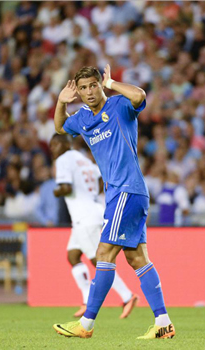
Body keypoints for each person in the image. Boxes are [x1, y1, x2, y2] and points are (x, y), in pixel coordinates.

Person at [53, 65, 175, 339]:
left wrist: (113, 83)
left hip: (127, 190)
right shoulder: (83, 118)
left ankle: (85, 325)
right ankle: (163, 322)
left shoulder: (120, 105)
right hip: (121, 194)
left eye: (93, 85)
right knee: (137, 258)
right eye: (83, 88)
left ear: (99, 85)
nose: (88, 92)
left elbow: (140, 96)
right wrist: (61, 101)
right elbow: (60, 126)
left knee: (104, 254)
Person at [49, 133, 139, 319]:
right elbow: (100, 181)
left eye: (54, 145)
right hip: (91, 211)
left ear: (63, 143)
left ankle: (127, 296)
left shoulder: (63, 160)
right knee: (73, 255)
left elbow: (65, 188)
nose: (52, 149)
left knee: (98, 261)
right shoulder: (83, 158)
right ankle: (86, 299)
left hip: (84, 217)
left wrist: (56, 192)